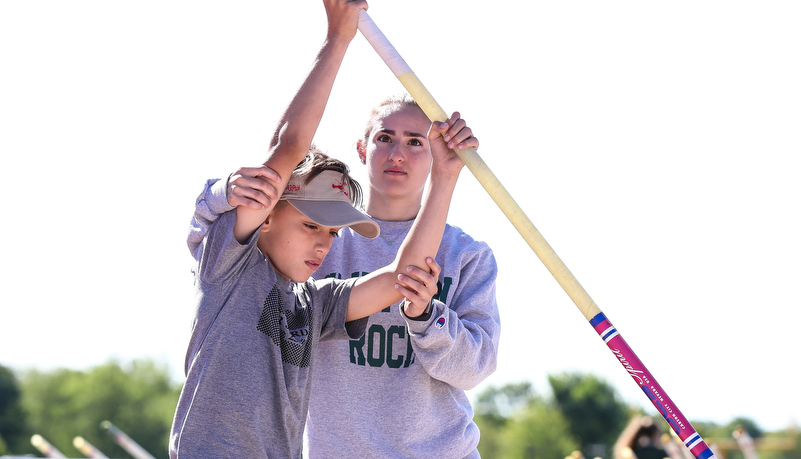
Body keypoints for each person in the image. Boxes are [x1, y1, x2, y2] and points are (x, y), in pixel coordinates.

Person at [170, 0, 477, 456]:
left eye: (332, 234)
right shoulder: (230, 266)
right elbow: (290, 146)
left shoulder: (314, 304)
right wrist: (338, 39)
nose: (323, 245)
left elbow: (400, 278)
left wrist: (445, 178)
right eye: (312, 224)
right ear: (268, 212)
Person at [194, 94, 499, 458]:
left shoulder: (468, 255)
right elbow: (278, 161)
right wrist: (221, 192)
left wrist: (427, 318)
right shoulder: (298, 254)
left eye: (416, 142)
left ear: (436, 154)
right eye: (385, 138)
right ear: (361, 148)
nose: (397, 154)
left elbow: (473, 369)